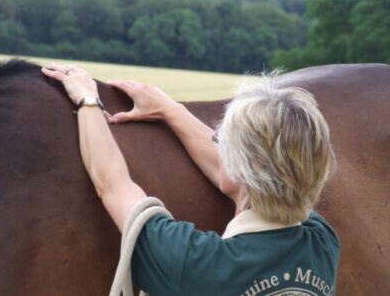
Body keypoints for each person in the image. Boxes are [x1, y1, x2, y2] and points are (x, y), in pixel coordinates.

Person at [41, 63, 340, 296]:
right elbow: (255, 179)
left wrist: (87, 99)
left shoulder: (198, 264)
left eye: (222, 141)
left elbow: (112, 184)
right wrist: (170, 110)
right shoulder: (324, 243)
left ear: (239, 168)